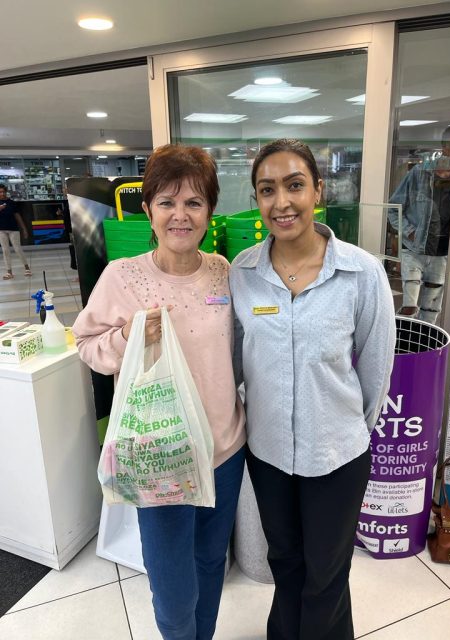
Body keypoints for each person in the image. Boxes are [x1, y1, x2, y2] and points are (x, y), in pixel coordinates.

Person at [72, 144, 246, 640]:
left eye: (194, 202)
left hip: (225, 450)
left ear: (210, 211)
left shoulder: (223, 271)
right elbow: (86, 345)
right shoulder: (122, 276)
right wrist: (128, 336)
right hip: (161, 457)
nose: (180, 215)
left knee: (211, 561)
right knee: (172, 587)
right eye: (167, 202)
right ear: (148, 210)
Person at [230, 138, 396, 640]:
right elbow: (235, 362)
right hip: (269, 453)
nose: (282, 202)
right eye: (267, 190)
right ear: (257, 200)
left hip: (337, 453)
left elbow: (376, 370)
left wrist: (346, 430)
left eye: (295, 185)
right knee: (285, 561)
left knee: (326, 573)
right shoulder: (242, 273)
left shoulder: (361, 273)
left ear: (318, 191)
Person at [388, 125, 450, 324]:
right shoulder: (419, 174)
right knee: (409, 309)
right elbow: (393, 209)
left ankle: (425, 344)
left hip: (442, 254)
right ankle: (404, 341)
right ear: (446, 147)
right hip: (415, 250)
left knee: (431, 311)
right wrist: (410, 232)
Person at [0, 184, 32, 279]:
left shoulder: (11, 203)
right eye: (0, 192)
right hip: (1, 230)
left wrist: (24, 229)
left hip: (13, 229)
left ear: (6, 192)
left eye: (3, 192)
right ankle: (9, 272)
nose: (2, 194)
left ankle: (27, 268)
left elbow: (17, 216)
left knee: (17, 248)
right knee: (5, 250)